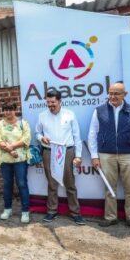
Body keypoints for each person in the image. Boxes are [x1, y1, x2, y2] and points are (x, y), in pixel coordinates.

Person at [88, 82, 130, 234]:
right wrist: (94, 156)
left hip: (129, 155)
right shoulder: (99, 110)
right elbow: (92, 134)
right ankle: (110, 217)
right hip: (106, 155)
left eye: (117, 93)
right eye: (111, 93)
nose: (113, 96)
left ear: (125, 94)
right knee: (109, 188)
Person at [35, 89, 85, 225]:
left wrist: (78, 156)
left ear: (60, 101)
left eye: (53, 102)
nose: (50, 105)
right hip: (49, 151)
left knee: (70, 184)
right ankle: (52, 211)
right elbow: (37, 133)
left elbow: (77, 137)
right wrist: (41, 138)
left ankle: (75, 213)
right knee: (52, 184)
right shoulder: (42, 116)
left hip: (67, 151)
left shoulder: (70, 115)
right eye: (48, 102)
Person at [0, 101, 31, 223]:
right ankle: (7, 209)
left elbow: (26, 139)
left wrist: (12, 147)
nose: (7, 112)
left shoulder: (23, 124)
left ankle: (25, 211)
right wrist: (10, 151)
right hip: (5, 160)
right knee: (7, 185)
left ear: (15, 109)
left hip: (20, 159)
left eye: (10, 109)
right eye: (5, 109)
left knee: (22, 184)